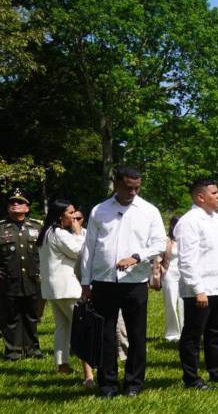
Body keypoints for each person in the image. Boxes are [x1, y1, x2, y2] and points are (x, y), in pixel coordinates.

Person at [79, 167, 166, 398]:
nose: (133, 192)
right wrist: (85, 283)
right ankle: (107, 385)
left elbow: (159, 243)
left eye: (137, 188)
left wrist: (136, 257)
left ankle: (134, 383)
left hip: (134, 281)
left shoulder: (149, 211)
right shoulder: (100, 210)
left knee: (137, 334)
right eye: (128, 188)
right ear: (116, 184)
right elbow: (89, 248)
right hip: (104, 281)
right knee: (105, 334)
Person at [175, 178, 218, 390]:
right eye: (215, 193)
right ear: (201, 196)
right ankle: (191, 378)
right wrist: (197, 289)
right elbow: (187, 259)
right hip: (200, 288)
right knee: (193, 335)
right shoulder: (189, 221)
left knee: (215, 332)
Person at [37, 198, 89, 378]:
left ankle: (62, 364)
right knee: (82, 327)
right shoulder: (59, 233)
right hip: (66, 287)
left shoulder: (46, 233)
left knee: (62, 327)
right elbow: (78, 251)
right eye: (70, 212)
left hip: (52, 288)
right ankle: (90, 369)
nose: (74, 216)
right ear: (60, 216)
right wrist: (79, 232)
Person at [1, 188, 43, 361]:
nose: (15, 204)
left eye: (20, 202)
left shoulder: (37, 226)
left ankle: (33, 349)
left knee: (32, 316)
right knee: (10, 317)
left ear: (27, 207)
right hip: (8, 280)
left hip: (32, 280)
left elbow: (46, 252)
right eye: (12, 202)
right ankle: (13, 352)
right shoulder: (1, 227)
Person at [159, 217, 184, 343]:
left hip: (183, 274)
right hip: (169, 274)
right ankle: (172, 333)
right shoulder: (167, 240)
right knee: (171, 303)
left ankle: (185, 331)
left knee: (184, 303)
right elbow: (158, 256)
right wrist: (160, 269)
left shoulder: (186, 240)